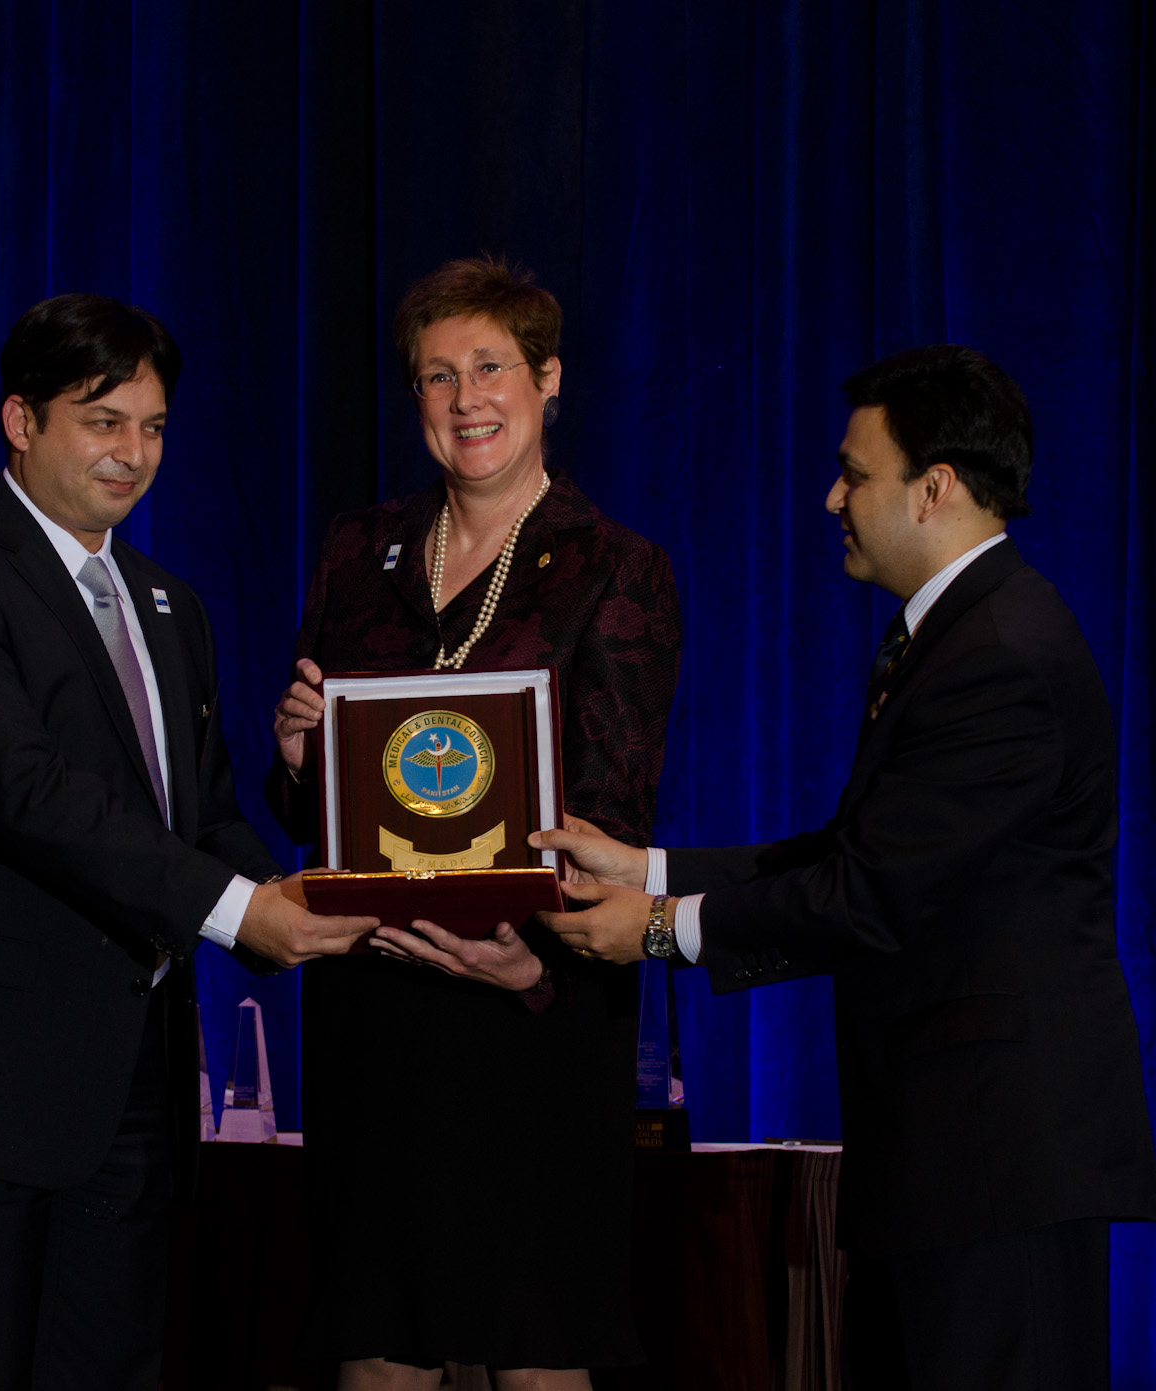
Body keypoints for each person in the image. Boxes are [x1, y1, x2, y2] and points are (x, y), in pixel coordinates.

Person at [531, 346, 1156, 1391]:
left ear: (935, 487)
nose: (832, 498)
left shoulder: (999, 653)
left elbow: (870, 893)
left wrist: (655, 927)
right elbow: (854, 850)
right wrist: (644, 863)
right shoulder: (956, 635)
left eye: (854, 474)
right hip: (947, 1155)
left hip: (996, 1160)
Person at [0, 293, 376, 1391]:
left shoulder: (170, 604)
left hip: (129, 1096)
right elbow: (28, 795)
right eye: (103, 421)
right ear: (20, 420)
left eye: (153, 426)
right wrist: (242, 911)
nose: (133, 453)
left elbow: (201, 815)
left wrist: (302, 889)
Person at [266, 257, 681, 1389]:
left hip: (532, 1010)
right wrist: (297, 755)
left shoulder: (616, 566)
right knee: (375, 1348)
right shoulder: (359, 549)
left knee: (534, 1354)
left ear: (549, 379)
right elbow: (316, 808)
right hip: (377, 998)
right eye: (437, 376)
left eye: (491, 367)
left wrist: (534, 966)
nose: (466, 399)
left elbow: (615, 812)